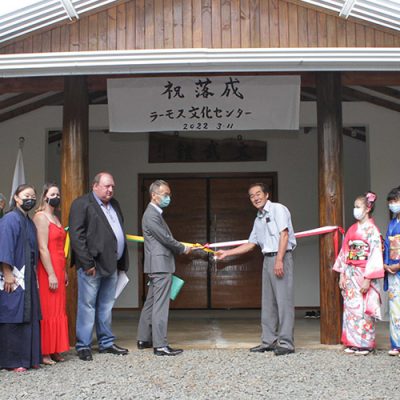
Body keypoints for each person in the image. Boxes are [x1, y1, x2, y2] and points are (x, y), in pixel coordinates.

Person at [216, 183, 296, 356]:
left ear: (266, 194)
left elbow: (284, 234)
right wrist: (227, 254)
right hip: (267, 259)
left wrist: (280, 260)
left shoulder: (278, 209)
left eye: (258, 194)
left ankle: (286, 343)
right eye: (252, 196)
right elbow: (251, 244)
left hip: (281, 256)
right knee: (268, 302)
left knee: (283, 302)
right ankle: (268, 341)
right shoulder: (258, 218)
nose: (255, 198)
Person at [69, 172, 129, 361]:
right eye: (106, 186)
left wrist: (121, 262)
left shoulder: (115, 204)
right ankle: (84, 346)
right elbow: (77, 236)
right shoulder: (82, 204)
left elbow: (117, 233)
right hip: (92, 266)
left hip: (111, 265)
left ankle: (106, 343)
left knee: (106, 305)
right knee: (87, 306)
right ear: (95, 186)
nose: (110, 189)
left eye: (112, 186)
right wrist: (87, 263)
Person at [137, 180, 191, 356]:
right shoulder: (151, 215)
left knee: (151, 302)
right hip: (160, 265)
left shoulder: (154, 214)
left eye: (169, 195)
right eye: (165, 195)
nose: (168, 198)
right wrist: (182, 248)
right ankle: (160, 345)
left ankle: (144, 338)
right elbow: (165, 238)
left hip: (156, 265)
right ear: (154, 195)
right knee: (161, 305)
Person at [333, 192, 384, 355]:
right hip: (350, 272)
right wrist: (342, 274)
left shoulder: (373, 231)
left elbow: (375, 255)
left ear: (368, 208)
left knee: (364, 308)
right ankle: (352, 342)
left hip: (364, 273)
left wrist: (368, 279)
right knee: (351, 308)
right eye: (354, 207)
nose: (355, 210)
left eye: (358, 207)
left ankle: (365, 344)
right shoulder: (352, 229)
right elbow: (345, 251)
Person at [0, 184, 41, 371]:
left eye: (33, 196)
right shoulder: (10, 219)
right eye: (26, 196)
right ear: (16, 198)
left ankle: (28, 358)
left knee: (28, 315)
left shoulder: (29, 221)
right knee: (12, 315)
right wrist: (7, 273)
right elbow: (5, 246)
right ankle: (12, 361)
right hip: (13, 277)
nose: (30, 199)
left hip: (28, 277)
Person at [33, 183, 69, 365]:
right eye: (53, 193)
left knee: (58, 309)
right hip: (47, 268)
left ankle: (55, 348)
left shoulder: (55, 217)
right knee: (47, 310)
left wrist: (63, 272)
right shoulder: (40, 217)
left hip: (59, 265)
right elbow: (42, 247)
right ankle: (44, 351)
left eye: (58, 193)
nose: (57, 196)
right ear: (45, 196)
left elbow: (61, 248)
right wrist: (52, 274)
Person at [383, 186, 400, 356]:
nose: (392, 205)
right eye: (391, 203)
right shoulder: (392, 223)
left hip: (399, 267)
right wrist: (386, 263)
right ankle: (396, 343)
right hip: (392, 269)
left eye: (395, 201)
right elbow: (387, 246)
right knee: (395, 307)